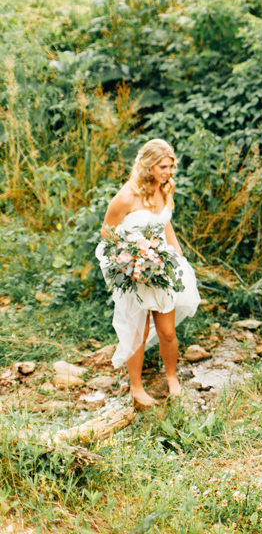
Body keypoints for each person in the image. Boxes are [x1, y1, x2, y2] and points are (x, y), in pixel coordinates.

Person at [95, 139, 201, 410]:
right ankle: (136, 388)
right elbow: (107, 233)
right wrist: (129, 258)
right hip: (137, 273)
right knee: (137, 333)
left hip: (162, 269)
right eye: (163, 166)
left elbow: (164, 224)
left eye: (171, 166)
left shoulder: (165, 188)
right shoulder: (126, 197)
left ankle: (172, 378)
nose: (169, 171)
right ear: (148, 165)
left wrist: (177, 254)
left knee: (167, 332)